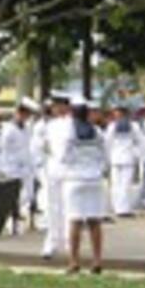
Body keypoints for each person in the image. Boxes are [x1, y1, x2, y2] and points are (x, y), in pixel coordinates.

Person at [61, 98, 111, 274]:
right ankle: (97, 260)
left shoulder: (69, 132)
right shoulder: (97, 132)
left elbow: (63, 156)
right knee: (94, 222)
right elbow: (106, 157)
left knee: (75, 221)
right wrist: (98, 169)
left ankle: (74, 261)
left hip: (75, 180)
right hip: (95, 180)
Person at [41, 92, 74, 259]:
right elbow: (46, 147)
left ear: (65, 106)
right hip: (52, 169)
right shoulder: (50, 125)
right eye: (53, 106)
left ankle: (69, 243)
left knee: (69, 207)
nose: (53, 109)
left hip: (68, 170)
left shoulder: (73, 124)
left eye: (56, 105)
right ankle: (52, 242)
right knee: (52, 207)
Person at [0, 98, 39, 233]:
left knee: (28, 194)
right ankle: (12, 224)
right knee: (13, 197)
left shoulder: (26, 128)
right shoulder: (8, 129)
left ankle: (26, 221)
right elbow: (3, 149)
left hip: (26, 166)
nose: (24, 118)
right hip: (11, 166)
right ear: (17, 113)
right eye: (23, 114)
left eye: (27, 115)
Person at [104, 104, 144, 218]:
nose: (116, 114)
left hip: (119, 158)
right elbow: (140, 142)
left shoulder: (113, 126)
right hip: (125, 158)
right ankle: (122, 209)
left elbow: (107, 143)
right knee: (121, 184)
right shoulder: (133, 126)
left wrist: (107, 159)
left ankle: (120, 208)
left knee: (121, 184)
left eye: (117, 112)